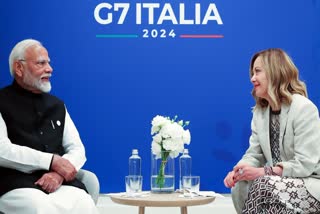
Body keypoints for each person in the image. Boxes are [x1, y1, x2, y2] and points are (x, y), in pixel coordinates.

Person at [0, 39, 99, 214]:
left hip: (59, 182)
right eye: (41, 63)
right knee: (40, 207)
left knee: (84, 203)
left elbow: (77, 149)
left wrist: (59, 173)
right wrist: (51, 161)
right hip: (16, 184)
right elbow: (2, 151)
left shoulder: (57, 105)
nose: (49, 69)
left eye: (49, 63)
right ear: (19, 68)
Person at [223, 48, 320, 214]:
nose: (253, 78)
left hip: (310, 184)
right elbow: (254, 154)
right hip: (276, 184)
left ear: (275, 72)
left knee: (264, 184)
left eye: (258, 72)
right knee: (242, 185)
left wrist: (264, 172)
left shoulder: (303, 108)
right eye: (252, 73)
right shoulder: (260, 112)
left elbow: (305, 163)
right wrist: (239, 171)